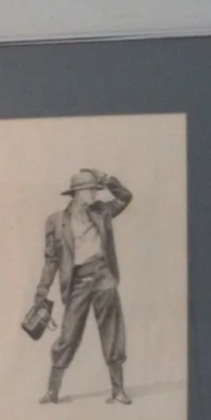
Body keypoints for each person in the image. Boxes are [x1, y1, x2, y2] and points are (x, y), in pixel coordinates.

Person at [31, 167, 133, 406]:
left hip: (103, 278)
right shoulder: (55, 221)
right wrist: (42, 291)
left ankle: (118, 390)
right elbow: (51, 260)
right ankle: (52, 391)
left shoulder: (102, 211)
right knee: (68, 337)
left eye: (96, 189)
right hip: (77, 282)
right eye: (91, 190)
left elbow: (125, 197)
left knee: (112, 334)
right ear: (77, 193)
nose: (96, 194)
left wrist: (106, 179)